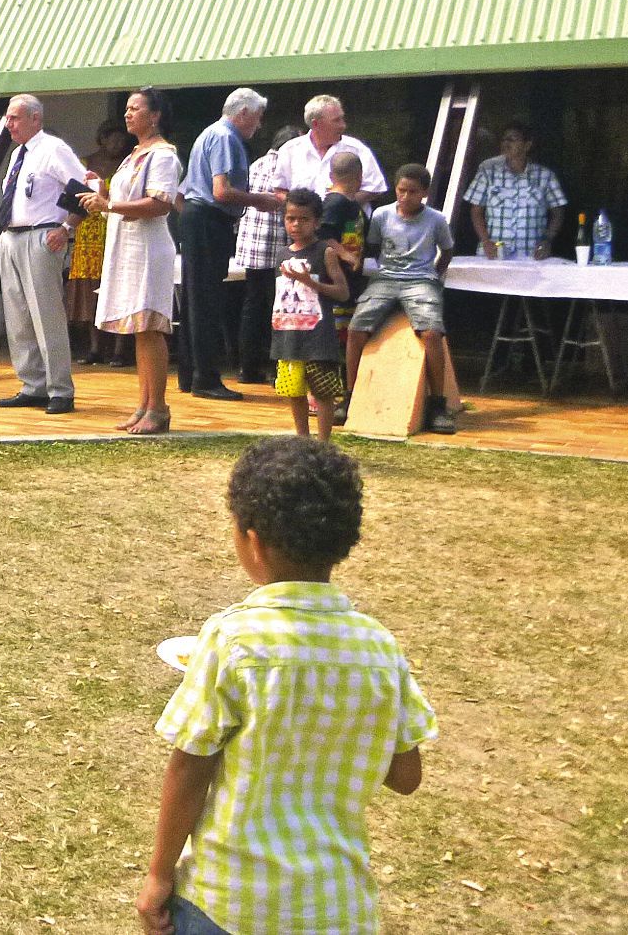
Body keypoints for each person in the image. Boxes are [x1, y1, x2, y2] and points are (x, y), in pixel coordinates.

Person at [139, 434, 435, 935]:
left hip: (229, 902)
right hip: (337, 907)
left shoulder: (232, 639)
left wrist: (158, 875)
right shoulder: (379, 648)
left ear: (252, 541)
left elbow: (190, 766)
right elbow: (406, 776)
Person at [82, 88, 181, 435]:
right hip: (127, 248)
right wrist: (101, 193)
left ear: (154, 116)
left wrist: (108, 205)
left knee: (150, 326)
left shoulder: (163, 155)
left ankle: (159, 407)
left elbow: (160, 203)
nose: (127, 114)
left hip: (149, 249)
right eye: (126, 108)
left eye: (135, 109)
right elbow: (120, 200)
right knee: (139, 329)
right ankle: (144, 404)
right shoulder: (133, 154)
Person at [178, 89, 281, 401]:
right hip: (209, 219)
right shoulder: (225, 137)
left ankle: (190, 373)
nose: (259, 126)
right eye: (257, 118)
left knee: (195, 298)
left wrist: (193, 217)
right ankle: (206, 379)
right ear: (244, 113)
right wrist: (259, 200)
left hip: (197, 216)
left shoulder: (208, 134)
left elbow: (180, 195)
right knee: (207, 301)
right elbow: (221, 191)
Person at [345, 163, 458, 435]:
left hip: (421, 279)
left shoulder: (436, 219)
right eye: (401, 190)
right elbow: (373, 247)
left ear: (424, 193)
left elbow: (447, 251)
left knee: (432, 333)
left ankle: (437, 405)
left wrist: (434, 276)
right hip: (386, 278)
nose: (405, 197)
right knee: (356, 329)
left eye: (412, 192)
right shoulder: (382, 215)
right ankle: (349, 396)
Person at [0, 94, 86, 414]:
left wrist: (66, 227)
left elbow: (83, 188)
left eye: (15, 118)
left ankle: (60, 389)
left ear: (35, 119)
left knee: (47, 316)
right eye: (8, 118)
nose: (9, 124)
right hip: (11, 236)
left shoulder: (52, 149)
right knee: (18, 317)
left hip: (41, 236)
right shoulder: (18, 154)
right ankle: (33, 385)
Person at [270, 189, 351, 445]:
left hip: (318, 337)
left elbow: (343, 292)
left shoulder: (325, 252)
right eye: (291, 218)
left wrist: (310, 282)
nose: (296, 224)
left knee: (323, 391)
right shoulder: (282, 254)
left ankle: (323, 444)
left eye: (303, 219)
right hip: (288, 334)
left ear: (316, 222)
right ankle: (302, 442)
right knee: (294, 391)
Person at [230, 125, 299, 387]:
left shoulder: (256, 164)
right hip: (278, 244)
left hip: (251, 245)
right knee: (279, 306)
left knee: (253, 305)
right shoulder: (288, 166)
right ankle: (276, 369)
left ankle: (247, 368)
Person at [69, 120, 132, 366]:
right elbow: (71, 199)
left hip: (116, 232)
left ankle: (119, 350)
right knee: (90, 293)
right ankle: (94, 348)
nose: (118, 144)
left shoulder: (126, 166)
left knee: (117, 290)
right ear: (102, 139)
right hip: (87, 235)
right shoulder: (84, 164)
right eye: (113, 139)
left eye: (122, 140)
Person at [465, 121, 567, 259]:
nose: (506, 143)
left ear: (527, 145)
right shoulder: (488, 171)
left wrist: (547, 240)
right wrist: (485, 241)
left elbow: (558, 212)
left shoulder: (545, 176)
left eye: (512, 139)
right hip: (494, 255)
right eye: (504, 139)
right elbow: (476, 211)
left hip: (531, 256)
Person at [321, 150, 370, 424]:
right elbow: (323, 234)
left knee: (345, 334)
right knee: (337, 336)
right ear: (359, 176)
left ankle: (345, 389)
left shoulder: (352, 204)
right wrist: (345, 254)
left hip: (351, 281)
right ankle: (332, 391)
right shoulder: (335, 203)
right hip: (336, 280)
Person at [270, 94, 388, 201]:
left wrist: (341, 206)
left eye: (342, 119)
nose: (343, 125)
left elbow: (375, 188)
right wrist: (301, 209)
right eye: (336, 120)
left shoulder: (356, 149)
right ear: (315, 124)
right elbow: (279, 189)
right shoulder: (290, 150)